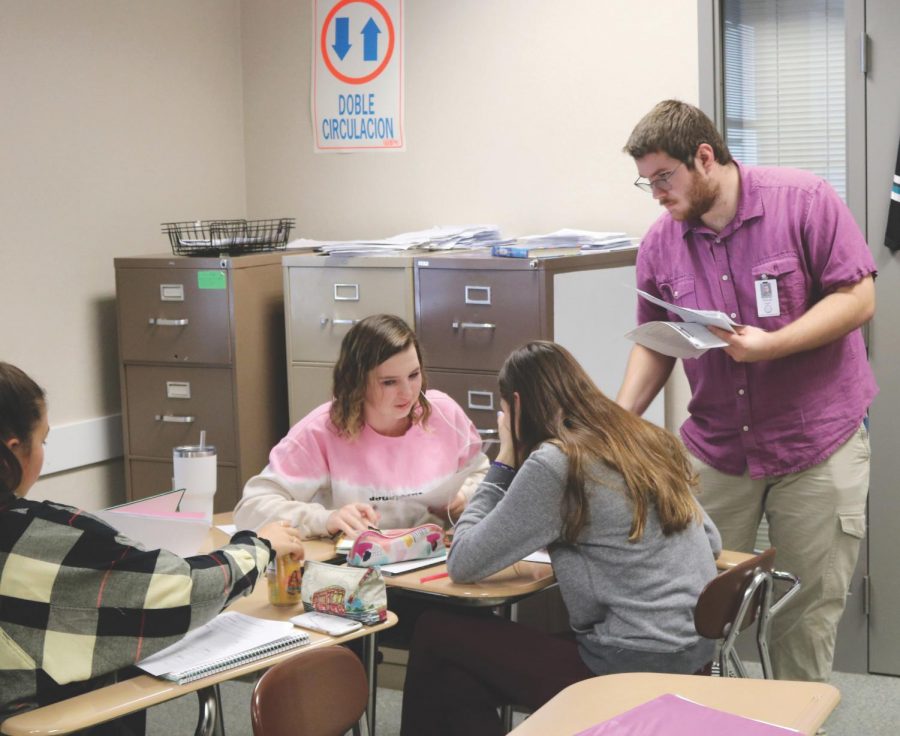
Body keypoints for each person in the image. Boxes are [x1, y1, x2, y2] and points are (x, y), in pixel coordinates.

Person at [616, 99, 877, 682]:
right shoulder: (661, 243)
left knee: (800, 617)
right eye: (647, 181)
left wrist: (771, 345)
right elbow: (657, 339)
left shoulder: (804, 201)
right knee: (691, 607)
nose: (656, 193)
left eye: (664, 177)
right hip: (716, 449)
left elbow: (857, 299)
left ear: (704, 157)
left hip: (817, 446)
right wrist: (616, 419)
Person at [400, 341, 721, 736]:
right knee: (460, 675)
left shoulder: (557, 462)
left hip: (626, 667)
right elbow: (711, 540)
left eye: (503, 412)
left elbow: (463, 561)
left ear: (518, 405)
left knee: (437, 631)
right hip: (695, 656)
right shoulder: (641, 438)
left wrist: (503, 460)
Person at [0, 362, 304, 726]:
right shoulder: (44, 537)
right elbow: (183, 591)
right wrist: (258, 545)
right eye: (42, 440)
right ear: (14, 449)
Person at [234, 313, 489, 539]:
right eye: (389, 382)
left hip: (435, 566)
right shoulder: (320, 431)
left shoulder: (443, 413)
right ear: (356, 382)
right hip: (357, 576)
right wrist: (326, 519)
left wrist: (464, 496)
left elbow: (485, 477)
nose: (408, 392)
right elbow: (251, 508)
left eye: (413, 375)